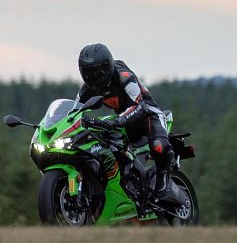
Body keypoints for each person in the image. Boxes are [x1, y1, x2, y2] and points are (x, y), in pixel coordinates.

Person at [75, 43, 176, 201]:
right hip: (124, 121)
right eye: (87, 72)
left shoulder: (124, 77)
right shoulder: (86, 89)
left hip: (149, 115)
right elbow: (74, 112)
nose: (93, 76)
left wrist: (117, 121)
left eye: (97, 71)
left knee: (158, 145)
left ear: (108, 66)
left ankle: (164, 179)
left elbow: (139, 106)